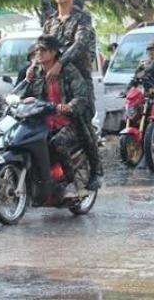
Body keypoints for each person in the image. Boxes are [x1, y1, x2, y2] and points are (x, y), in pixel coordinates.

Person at [38, 0, 103, 190]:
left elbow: (80, 44)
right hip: (54, 79)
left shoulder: (81, 18)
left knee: (81, 124)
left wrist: (60, 63)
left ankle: (96, 171)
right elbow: (43, 44)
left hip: (77, 79)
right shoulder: (51, 21)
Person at [18, 36, 90, 203]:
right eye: (37, 50)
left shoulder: (68, 70)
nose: (38, 53)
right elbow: (22, 94)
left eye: (43, 50)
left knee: (57, 142)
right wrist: (22, 91)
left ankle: (71, 184)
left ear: (53, 52)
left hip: (68, 122)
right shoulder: (34, 72)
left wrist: (68, 107)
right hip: (42, 122)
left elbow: (82, 97)